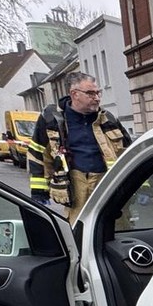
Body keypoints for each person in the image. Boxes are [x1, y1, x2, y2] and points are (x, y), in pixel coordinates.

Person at [27, 73, 132, 221]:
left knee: (117, 228)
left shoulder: (107, 119)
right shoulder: (52, 120)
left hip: (108, 183)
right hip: (76, 186)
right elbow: (37, 153)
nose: (97, 98)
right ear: (74, 94)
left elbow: (129, 151)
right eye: (90, 93)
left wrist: (142, 187)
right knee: (80, 232)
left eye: (98, 92)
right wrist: (38, 191)